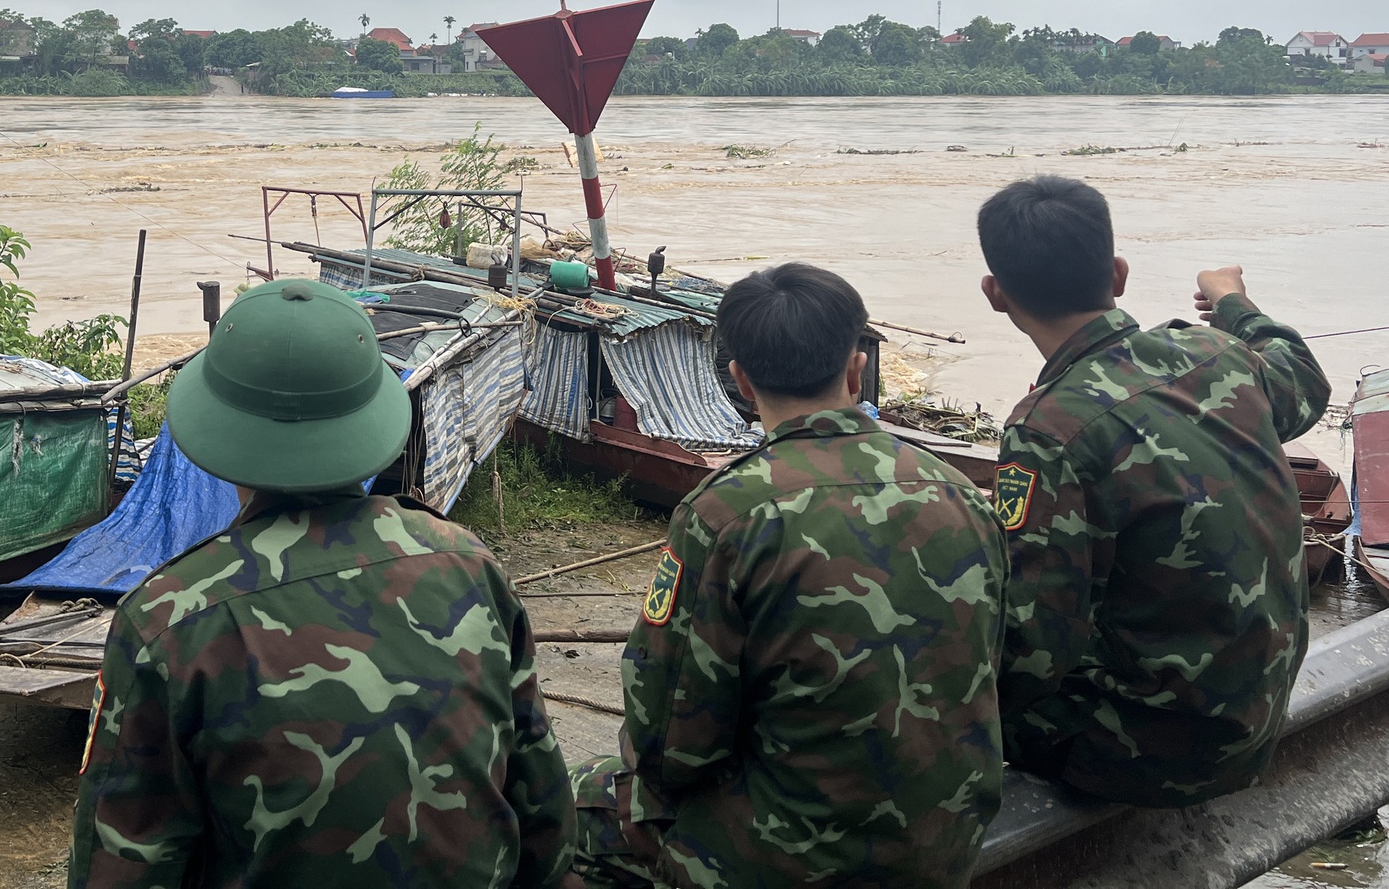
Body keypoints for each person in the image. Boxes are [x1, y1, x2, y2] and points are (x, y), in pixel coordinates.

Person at [69, 277, 575, 888]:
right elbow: (543, 812)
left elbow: (125, 863)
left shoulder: (168, 619)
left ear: (216, 428)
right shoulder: (467, 562)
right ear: (369, 418)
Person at [570, 262, 1008, 889]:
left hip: (791, 863)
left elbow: (669, 746)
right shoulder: (965, 494)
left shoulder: (727, 514)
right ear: (857, 369)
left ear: (740, 382)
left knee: (577, 801)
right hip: (946, 845)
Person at [977, 175, 1332, 806]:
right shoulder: (1215, 353)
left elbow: (1032, 652)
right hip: (1262, 708)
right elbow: (1304, 380)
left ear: (996, 294)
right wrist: (1234, 301)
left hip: (1155, 751)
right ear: (1117, 274)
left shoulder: (1046, 429)